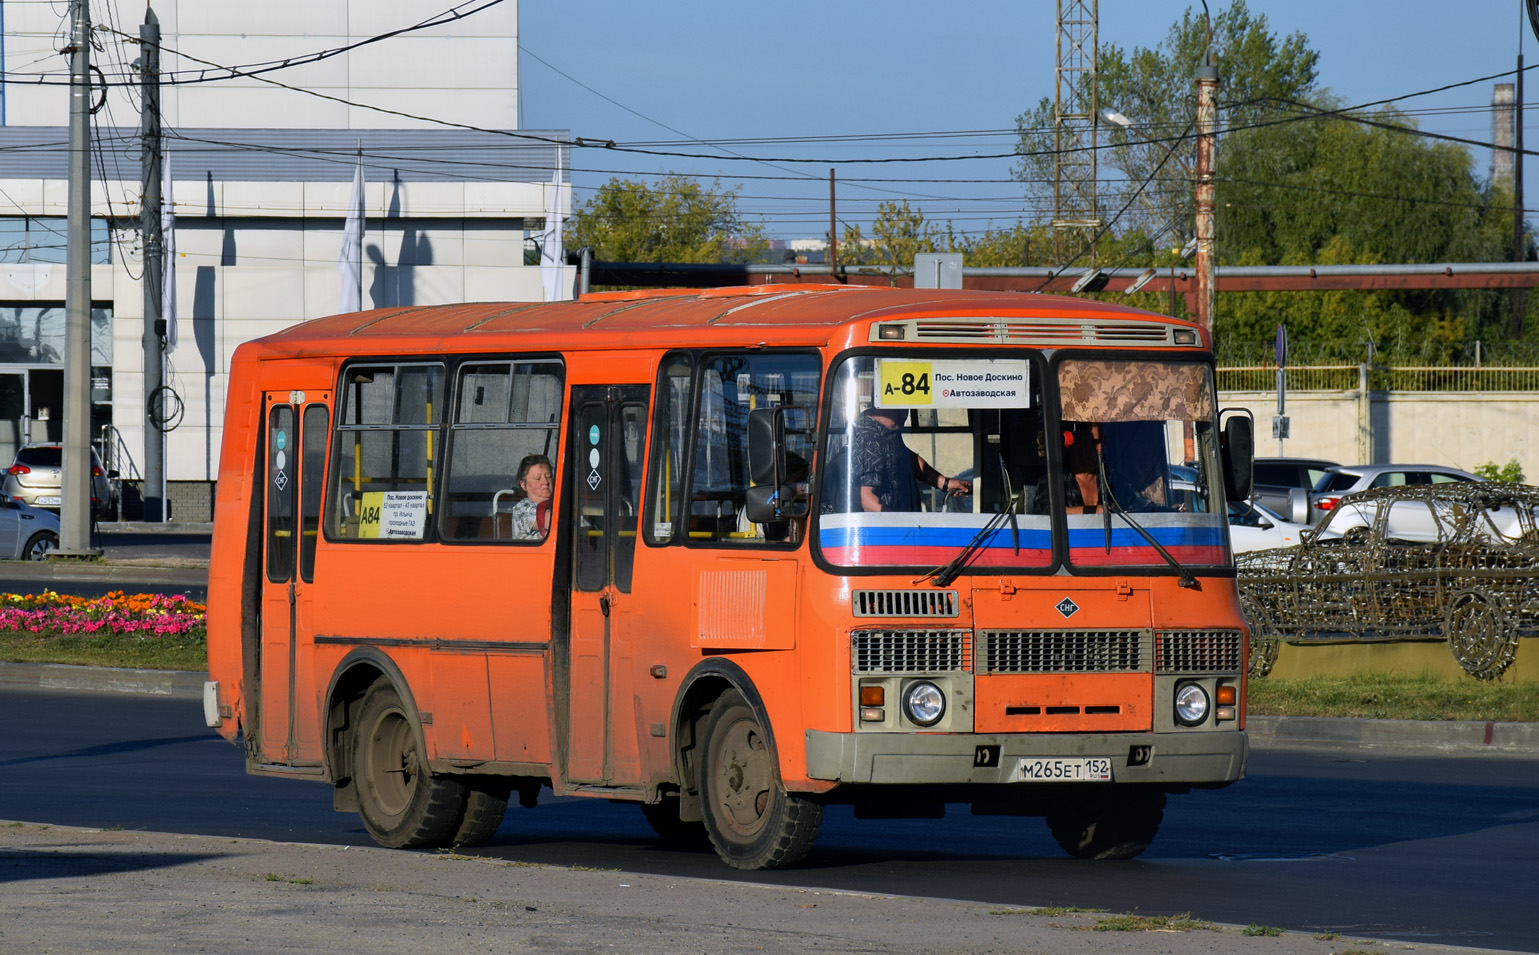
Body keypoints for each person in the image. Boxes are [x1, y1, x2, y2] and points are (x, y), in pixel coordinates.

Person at [852, 405, 971, 512]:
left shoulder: (887, 430)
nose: (904, 414)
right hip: (889, 532)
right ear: (880, 403)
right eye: (899, 407)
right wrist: (898, 526)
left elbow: (906, 459)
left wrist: (944, 483)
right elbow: (863, 496)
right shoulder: (868, 438)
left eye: (906, 407)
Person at [508, 453, 553, 539]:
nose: (546, 482)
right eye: (537, 478)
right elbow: (553, 520)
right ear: (523, 485)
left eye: (549, 476)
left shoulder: (558, 502)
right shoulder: (522, 508)